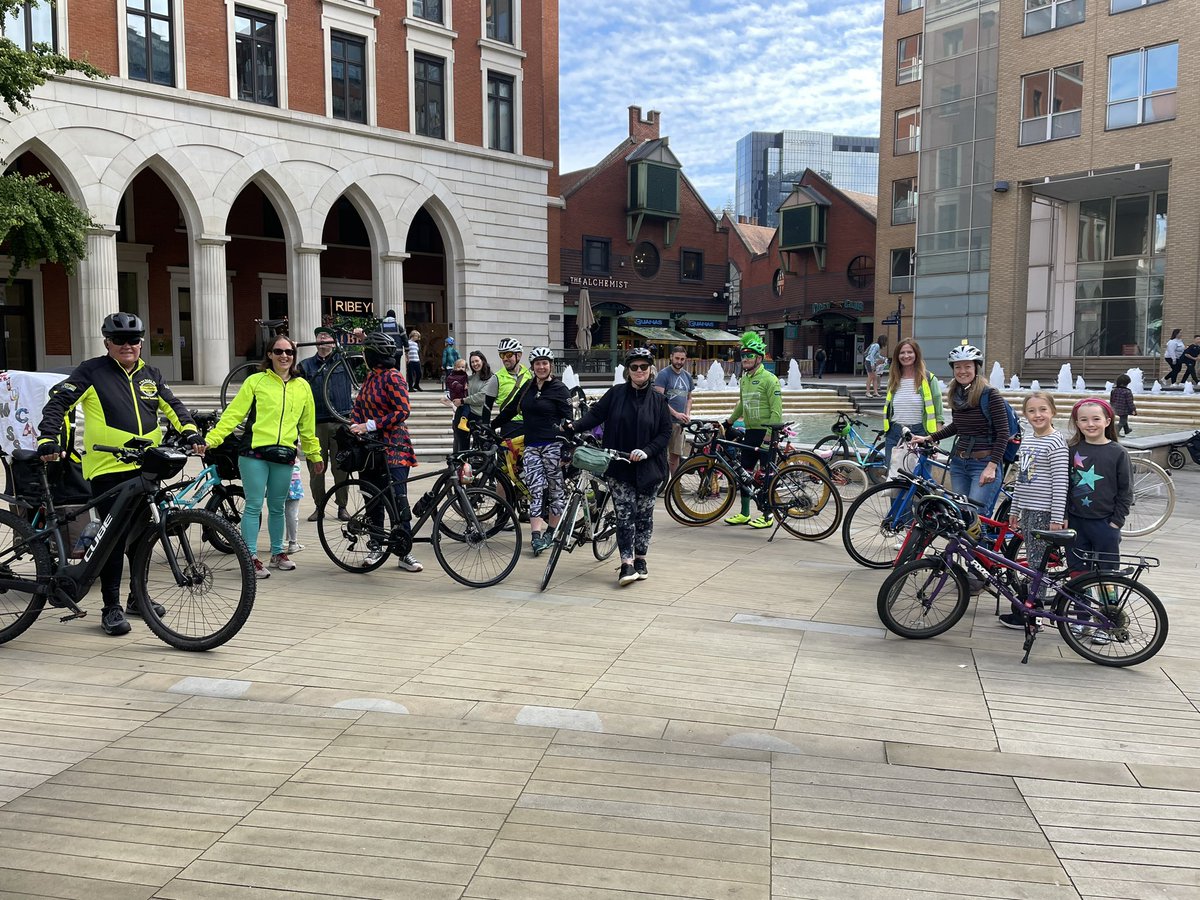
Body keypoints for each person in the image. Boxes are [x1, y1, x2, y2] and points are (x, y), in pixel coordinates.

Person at [37, 312, 202, 636]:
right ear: (107, 343)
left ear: (141, 343)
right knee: (112, 541)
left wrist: (191, 431)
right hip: (108, 468)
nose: (127, 346)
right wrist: (48, 437)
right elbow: (59, 402)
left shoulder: (150, 374)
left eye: (133, 340)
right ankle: (110, 607)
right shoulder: (92, 371)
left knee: (141, 538)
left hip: (145, 468)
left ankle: (136, 599)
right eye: (119, 340)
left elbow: (173, 406)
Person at [204, 334, 323, 579]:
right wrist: (211, 440)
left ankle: (278, 553)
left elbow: (307, 426)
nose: (284, 356)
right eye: (278, 351)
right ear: (269, 355)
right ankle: (250, 558)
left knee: (278, 507)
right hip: (253, 454)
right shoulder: (256, 381)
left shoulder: (302, 387)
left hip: (284, 454)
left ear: (294, 356)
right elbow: (233, 414)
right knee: (254, 506)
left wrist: (314, 454)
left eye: (289, 352)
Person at [569, 347, 672, 586]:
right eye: (634, 367)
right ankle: (626, 564)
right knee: (625, 516)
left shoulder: (658, 400)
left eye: (643, 367)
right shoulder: (615, 394)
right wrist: (571, 427)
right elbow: (594, 416)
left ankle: (641, 560)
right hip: (620, 466)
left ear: (650, 370)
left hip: (649, 469)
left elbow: (665, 432)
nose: (639, 371)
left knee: (644, 516)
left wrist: (646, 451)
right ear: (628, 371)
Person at [350, 332, 423, 572]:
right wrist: (355, 425)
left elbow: (403, 411)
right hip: (370, 449)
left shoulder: (394, 378)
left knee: (398, 498)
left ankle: (404, 552)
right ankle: (375, 545)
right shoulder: (370, 378)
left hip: (394, 447)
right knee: (371, 497)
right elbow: (359, 406)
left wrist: (369, 425)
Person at [999, 391, 1069, 629]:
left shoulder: (1056, 442)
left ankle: (1033, 613)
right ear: (1025, 414)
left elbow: (1061, 482)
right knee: (1033, 561)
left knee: (1038, 564)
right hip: (1028, 510)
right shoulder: (1028, 439)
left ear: (1053, 412)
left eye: (1042, 410)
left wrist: (1057, 518)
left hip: (1044, 513)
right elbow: (1022, 477)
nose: (1037, 415)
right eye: (1031, 411)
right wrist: (1014, 510)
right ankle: (1031, 606)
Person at [493, 346, 571, 554]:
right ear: (533, 366)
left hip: (553, 445)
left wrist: (567, 447)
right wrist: (492, 425)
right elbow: (510, 409)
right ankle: (536, 535)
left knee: (555, 490)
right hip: (532, 445)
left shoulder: (559, 388)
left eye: (545, 363)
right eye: (538, 364)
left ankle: (551, 531)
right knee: (535, 489)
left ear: (551, 365)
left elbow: (569, 421)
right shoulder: (528, 386)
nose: (541, 367)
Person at [1067, 398, 1132, 644]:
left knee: (1107, 576)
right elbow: (1064, 486)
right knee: (1077, 574)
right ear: (1076, 423)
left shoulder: (1118, 452)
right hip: (1076, 524)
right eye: (1083, 419)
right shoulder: (1072, 450)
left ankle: (1107, 622)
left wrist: (1116, 522)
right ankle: (1080, 618)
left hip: (1105, 525)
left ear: (1107, 421)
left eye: (1096, 419)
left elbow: (1126, 491)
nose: (1090, 424)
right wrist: (1064, 516)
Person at [917, 342, 1009, 515]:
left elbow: (1003, 433)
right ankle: (962, 543)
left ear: (976, 368)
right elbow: (957, 426)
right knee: (959, 516)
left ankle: (982, 543)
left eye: (967, 366)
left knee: (976, 516)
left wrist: (992, 466)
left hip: (983, 463)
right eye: (958, 367)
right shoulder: (957, 394)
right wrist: (929, 438)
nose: (962, 371)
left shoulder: (990, 395)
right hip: (959, 464)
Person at [723, 331, 783, 529]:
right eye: (743, 355)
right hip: (750, 432)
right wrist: (728, 423)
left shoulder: (769, 379)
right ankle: (744, 514)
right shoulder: (745, 379)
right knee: (745, 473)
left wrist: (769, 436)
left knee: (766, 477)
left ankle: (768, 516)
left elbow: (776, 411)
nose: (745, 359)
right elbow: (742, 404)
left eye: (750, 355)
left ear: (759, 358)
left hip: (766, 432)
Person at [298, 326, 350, 522]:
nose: (323, 339)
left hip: (340, 422)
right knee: (316, 469)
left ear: (333, 342)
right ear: (316, 341)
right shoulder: (306, 365)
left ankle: (342, 506)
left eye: (327, 336)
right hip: (316, 423)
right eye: (320, 336)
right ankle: (319, 506)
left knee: (341, 468)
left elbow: (365, 357)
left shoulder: (343, 362)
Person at [881, 338, 943, 468]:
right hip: (895, 433)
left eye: (910, 352)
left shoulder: (930, 379)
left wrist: (935, 442)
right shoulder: (893, 380)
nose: (906, 356)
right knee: (893, 478)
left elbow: (938, 415)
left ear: (916, 354)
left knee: (920, 479)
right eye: (902, 353)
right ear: (897, 356)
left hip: (921, 434)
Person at [653, 345, 694, 478]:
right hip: (664, 422)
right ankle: (659, 483)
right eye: (677, 358)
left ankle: (675, 485)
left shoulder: (687, 376)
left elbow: (689, 398)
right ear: (671, 357)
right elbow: (660, 399)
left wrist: (687, 414)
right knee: (660, 454)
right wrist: (676, 413)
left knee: (675, 456)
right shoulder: (663, 374)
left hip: (679, 424)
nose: (679, 361)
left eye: (682, 359)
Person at [493, 337, 531, 441]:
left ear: (518, 355)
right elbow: (487, 405)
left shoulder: (530, 375)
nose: (505, 358)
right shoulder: (496, 377)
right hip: (509, 425)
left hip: (528, 424)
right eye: (502, 355)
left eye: (508, 354)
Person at [457, 350, 498, 444]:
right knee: (461, 447)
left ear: (482, 361)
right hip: (463, 415)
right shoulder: (469, 378)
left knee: (482, 447)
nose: (475, 364)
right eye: (472, 362)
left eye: (477, 361)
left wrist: (463, 400)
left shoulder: (492, 378)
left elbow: (482, 397)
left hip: (479, 417)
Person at [443, 358, 470, 454]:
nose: (461, 369)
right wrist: (451, 404)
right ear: (455, 367)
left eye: (463, 367)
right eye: (459, 367)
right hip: (457, 415)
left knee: (460, 440)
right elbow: (445, 397)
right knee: (457, 439)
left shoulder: (465, 377)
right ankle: (456, 457)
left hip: (463, 407)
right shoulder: (452, 377)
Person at [285, 460, 305, 556]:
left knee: (275, 512)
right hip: (293, 479)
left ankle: (276, 543)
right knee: (292, 513)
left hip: (274, 478)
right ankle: (293, 543)